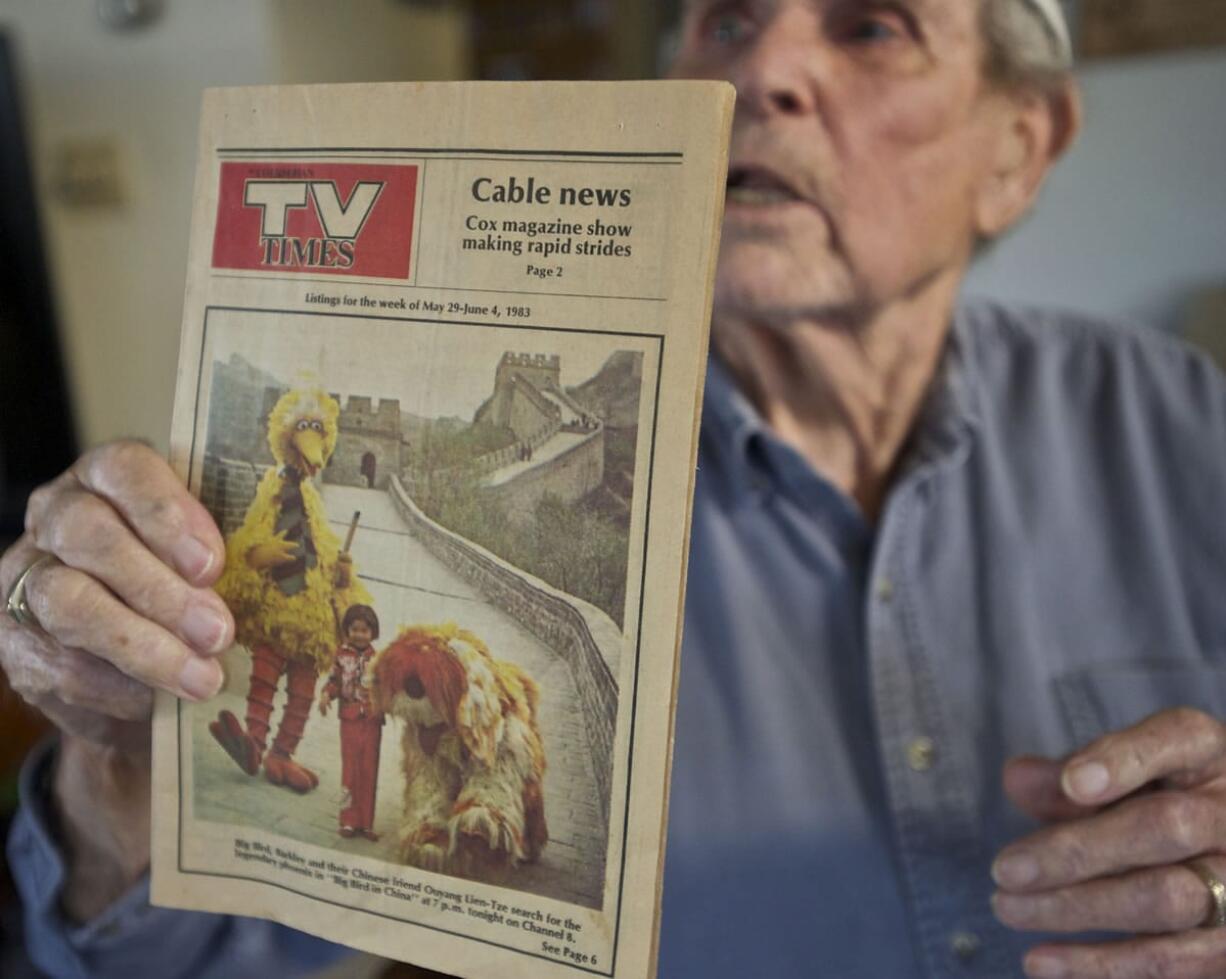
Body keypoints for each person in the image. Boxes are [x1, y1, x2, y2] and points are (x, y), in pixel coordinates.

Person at [2, 0, 1226, 976]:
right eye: (726, 23)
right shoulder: (593, 433)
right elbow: (142, 956)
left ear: (1020, 145)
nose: (766, 73)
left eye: (870, 25)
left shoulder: (1176, 420)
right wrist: (119, 770)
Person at [319, 604, 384, 842]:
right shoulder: (340, 656)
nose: (359, 634)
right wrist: (326, 695)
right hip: (348, 719)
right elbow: (333, 681)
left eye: (365, 630)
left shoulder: (378, 660)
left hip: (372, 721)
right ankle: (347, 820)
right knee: (350, 771)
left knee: (369, 770)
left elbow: (385, 688)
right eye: (354, 629)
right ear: (347, 630)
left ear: (373, 633)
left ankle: (366, 823)